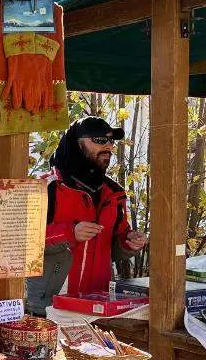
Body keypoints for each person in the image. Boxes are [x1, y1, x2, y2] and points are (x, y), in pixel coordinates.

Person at [27, 116, 148, 316]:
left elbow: (117, 247)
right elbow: (20, 243)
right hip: (52, 305)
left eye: (111, 140)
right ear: (77, 143)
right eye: (99, 140)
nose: (108, 146)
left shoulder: (115, 192)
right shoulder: (44, 187)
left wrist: (130, 243)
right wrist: (69, 233)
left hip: (98, 304)